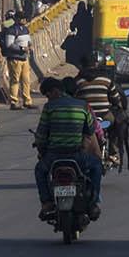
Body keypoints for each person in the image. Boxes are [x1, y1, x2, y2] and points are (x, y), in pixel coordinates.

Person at [32, 76, 104, 220]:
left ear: (55, 91)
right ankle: (94, 202)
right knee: (97, 166)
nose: (48, 99)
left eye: (48, 95)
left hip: (54, 156)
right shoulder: (83, 105)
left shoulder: (49, 108)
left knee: (40, 170)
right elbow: (90, 132)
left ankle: (46, 203)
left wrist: (41, 150)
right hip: (77, 156)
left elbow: (41, 135)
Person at [0, 12, 36, 110]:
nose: (24, 20)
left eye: (24, 18)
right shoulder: (11, 30)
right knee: (15, 80)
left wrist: (30, 46)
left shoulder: (25, 29)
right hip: (15, 59)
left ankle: (27, 101)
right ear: (17, 19)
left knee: (26, 80)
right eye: (22, 18)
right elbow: (9, 44)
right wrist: (22, 49)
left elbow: (28, 40)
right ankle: (13, 101)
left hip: (24, 58)